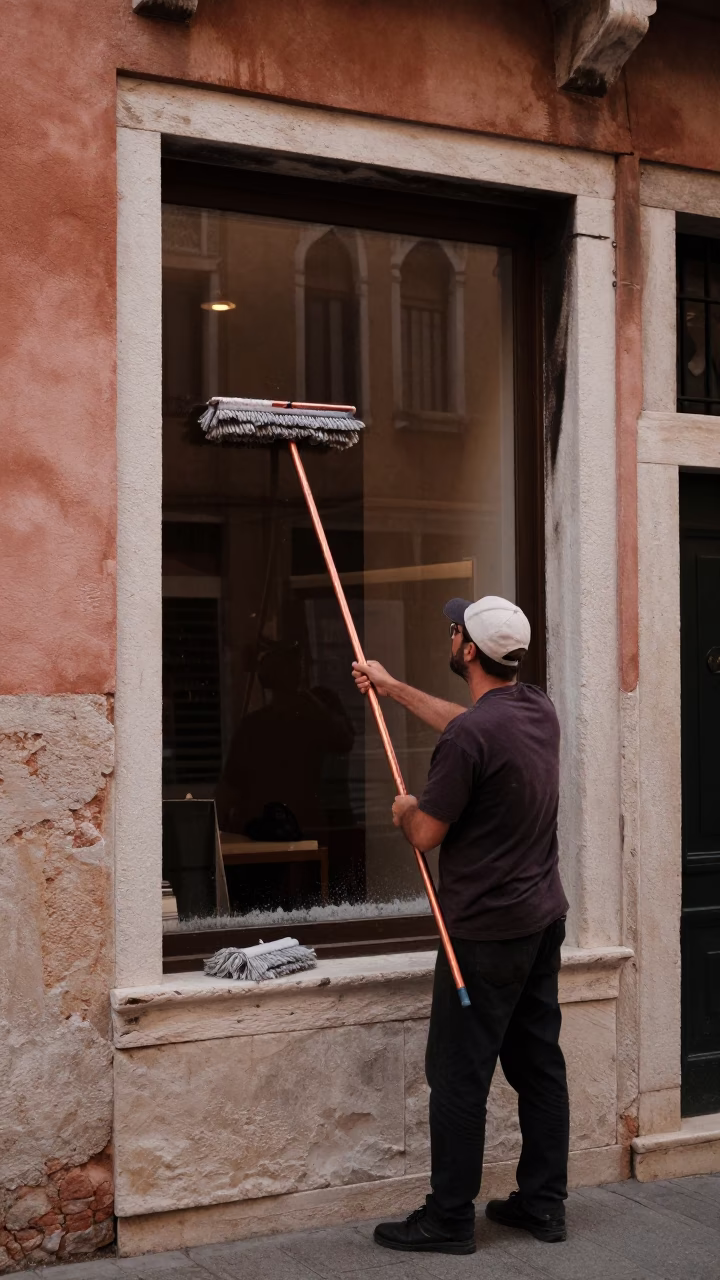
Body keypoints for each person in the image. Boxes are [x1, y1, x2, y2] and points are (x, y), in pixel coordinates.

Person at [351, 595, 569, 1257]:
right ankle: (543, 1205)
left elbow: (425, 832)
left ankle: (448, 1219)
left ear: (468, 651)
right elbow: (470, 726)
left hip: (482, 934)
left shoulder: (476, 735)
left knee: (457, 1075)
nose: (451, 636)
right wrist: (391, 690)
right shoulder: (536, 708)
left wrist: (403, 809)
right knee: (538, 1066)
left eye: (454, 631)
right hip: (540, 920)